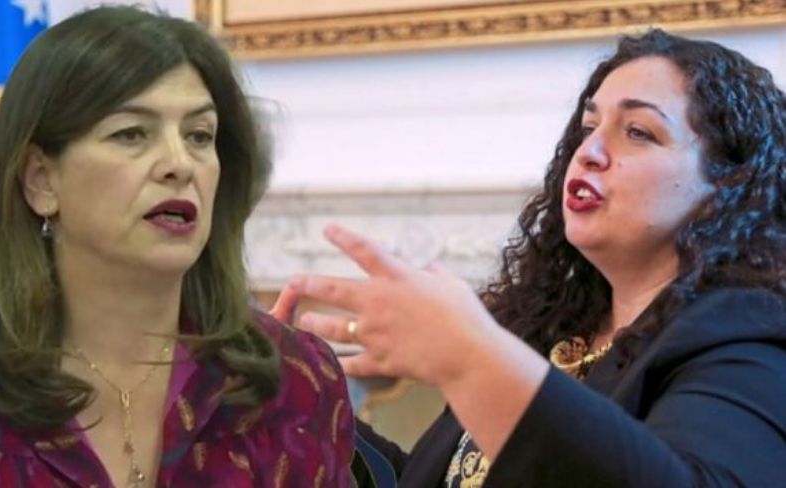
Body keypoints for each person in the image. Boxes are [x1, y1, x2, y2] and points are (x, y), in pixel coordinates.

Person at [275, 29, 786, 487]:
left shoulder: (750, 344)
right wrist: (300, 405)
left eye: (638, 132)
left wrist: (472, 358)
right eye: (589, 126)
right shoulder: (549, 333)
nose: (589, 151)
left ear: (727, 187)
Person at [0, 6, 355, 487]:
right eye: (131, 134)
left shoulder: (295, 378)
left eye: (199, 136)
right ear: (41, 180)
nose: (180, 163)